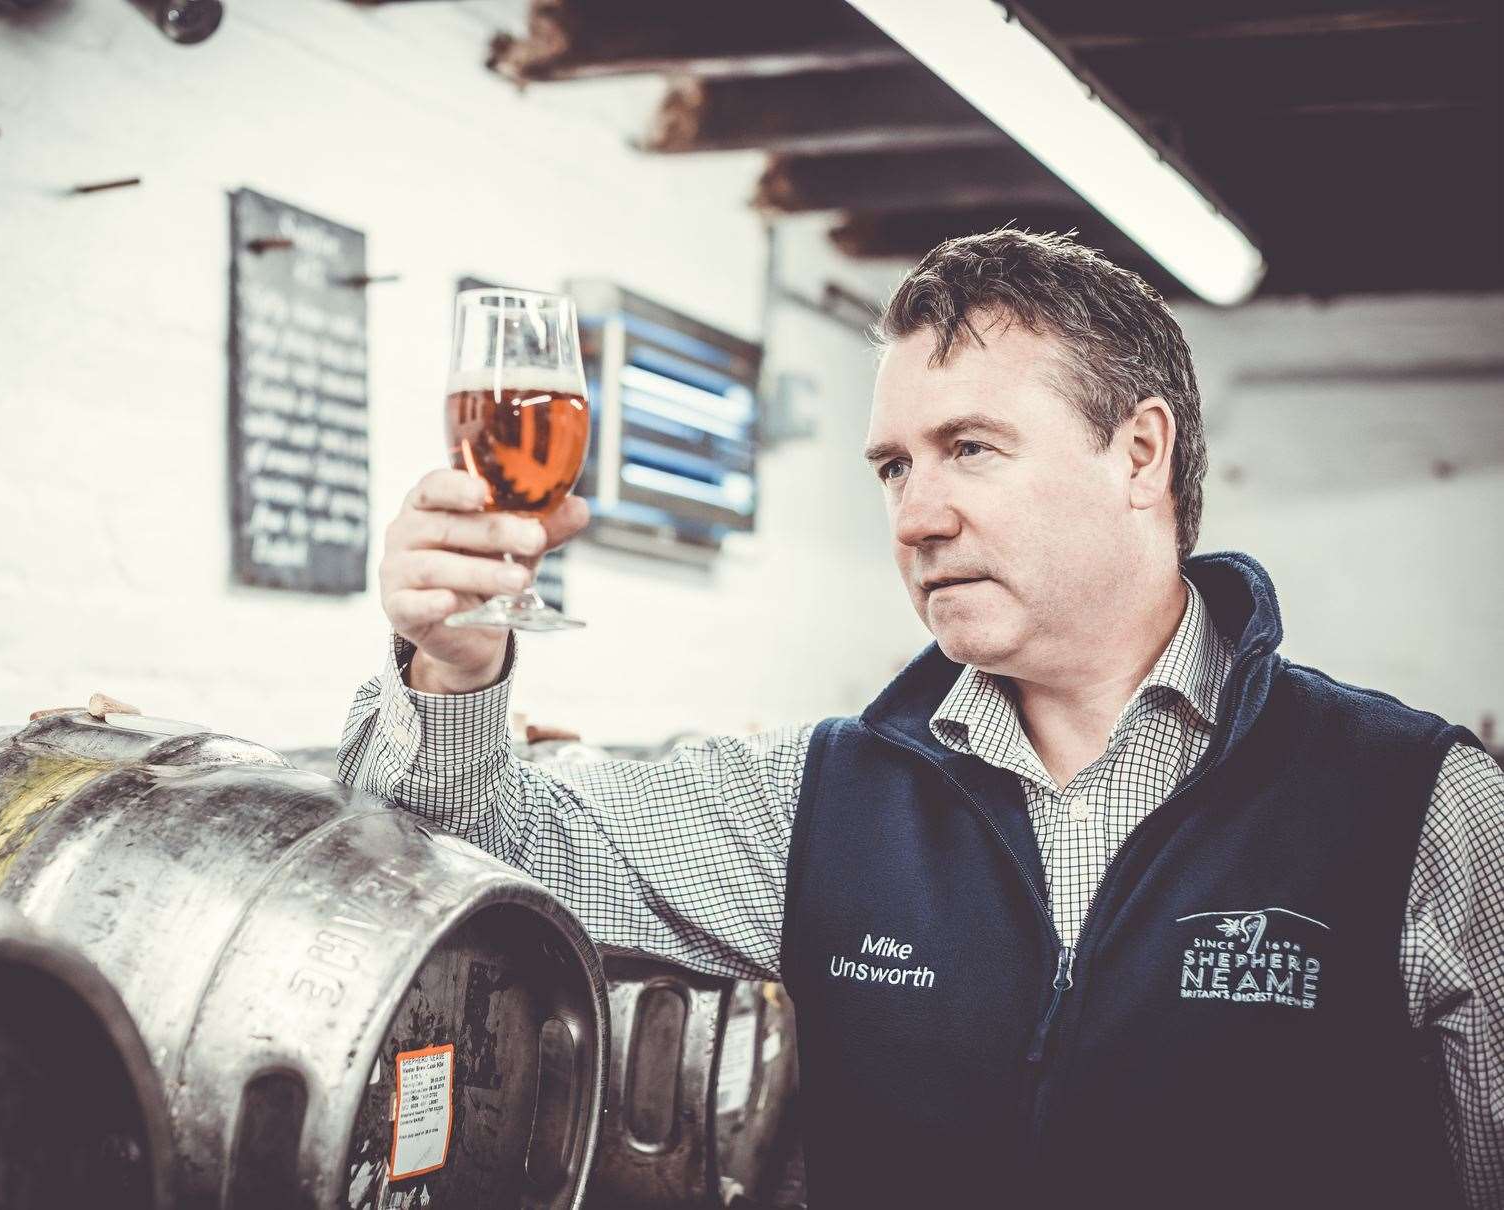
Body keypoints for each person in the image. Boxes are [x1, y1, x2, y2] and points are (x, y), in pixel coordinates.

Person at [340, 229, 1503, 1208]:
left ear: (1137, 453)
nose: (913, 516)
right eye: (893, 466)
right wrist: (449, 660)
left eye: (969, 449)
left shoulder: (1419, 807)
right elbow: (471, 853)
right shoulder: (820, 798)